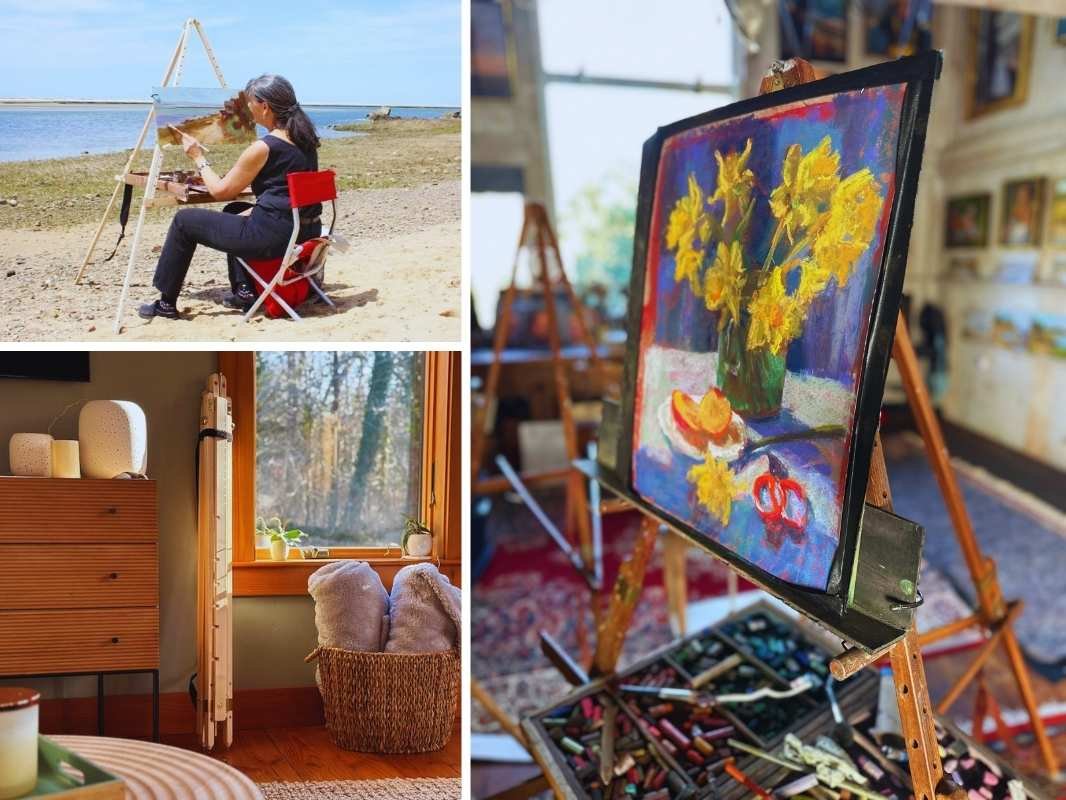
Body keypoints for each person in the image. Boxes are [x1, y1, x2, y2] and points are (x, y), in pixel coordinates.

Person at [138, 74, 322, 319]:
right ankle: (244, 291)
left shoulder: (264, 147)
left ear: (264, 106)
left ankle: (166, 304)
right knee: (234, 210)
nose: (247, 109)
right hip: (306, 232)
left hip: (274, 239)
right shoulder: (305, 141)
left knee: (184, 221)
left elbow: (220, 191)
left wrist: (197, 157)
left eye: (249, 103)